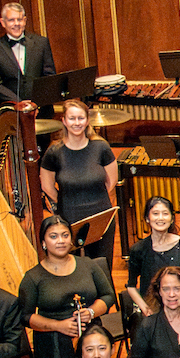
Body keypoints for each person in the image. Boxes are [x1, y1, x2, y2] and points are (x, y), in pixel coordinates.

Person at [15, 214, 114, 358]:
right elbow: (25, 316)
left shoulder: (88, 265)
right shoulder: (33, 277)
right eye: (53, 236)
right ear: (43, 242)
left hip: (90, 341)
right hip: (52, 347)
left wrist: (91, 312)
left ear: (71, 239)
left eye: (65, 235)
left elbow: (108, 296)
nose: (60, 240)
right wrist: (58, 325)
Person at [38, 98, 119, 261]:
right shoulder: (54, 151)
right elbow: (47, 186)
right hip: (69, 218)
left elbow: (112, 181)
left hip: (101, 216)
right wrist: (66, 201)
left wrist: (92, 197)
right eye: (72, 118)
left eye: (81, 118)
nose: (77, 123)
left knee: (102, 266)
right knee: (73, 268)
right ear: (64, 121)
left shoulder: (101, 147)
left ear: (88, 120)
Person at [123, 197, 180, 324]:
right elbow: (131, 286)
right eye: (155, 214)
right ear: (147, 218)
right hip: (153, 309)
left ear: (172, 218)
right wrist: (145, 308)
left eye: (165, 213)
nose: (160, 218)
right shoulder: (138, 249)